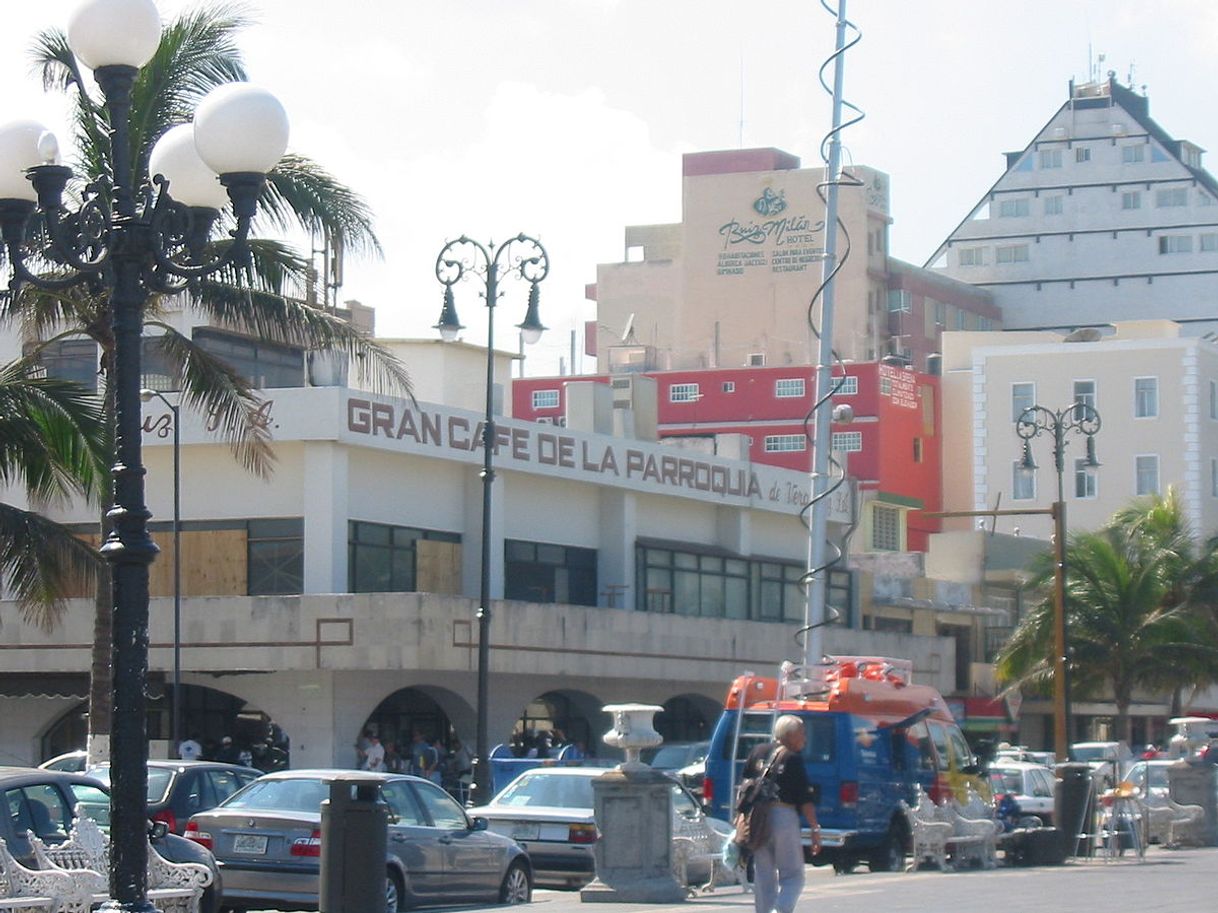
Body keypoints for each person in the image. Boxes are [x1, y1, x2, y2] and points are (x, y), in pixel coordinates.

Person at [741, 715, 820, 913]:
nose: (805, 738)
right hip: (783, 816)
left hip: (757, 818)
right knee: (793, 876)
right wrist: (814, 828)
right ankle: (781, 909)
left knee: (763, 875)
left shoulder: (757, 752)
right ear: (789, 735)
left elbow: (744, 787)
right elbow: (805, 799)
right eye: (802, 733)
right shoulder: (792, 758)